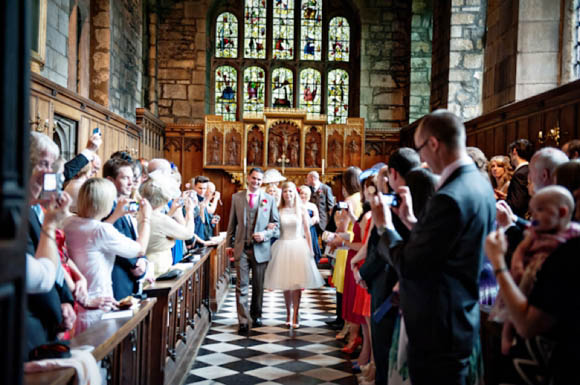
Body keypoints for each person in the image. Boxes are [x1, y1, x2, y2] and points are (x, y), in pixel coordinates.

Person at [373, 109, 496, 384]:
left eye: (420, 150)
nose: (422, 161)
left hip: (437, 325)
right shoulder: (478, 184)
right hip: (458, 316)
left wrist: (385, 227)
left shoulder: (450, 196)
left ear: (433, 144)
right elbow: (447, 248)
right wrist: (413, 223)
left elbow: (411, 264)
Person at [489, 186, 580, 384]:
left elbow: (529, 324)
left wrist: (498, 261)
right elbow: (522, 247)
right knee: (512, 310)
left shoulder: (571, 240)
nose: (535, 215)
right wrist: (517, 262)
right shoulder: (535, 231)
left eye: (540, 210)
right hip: (526, 275)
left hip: (542, 337)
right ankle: (506, 337)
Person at [63, 178, 151, 333]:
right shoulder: (101, 230)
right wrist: (146, 218)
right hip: (98, 304)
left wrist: (115, 216)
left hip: (76, 302)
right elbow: (139, 250)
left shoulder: (69, 222)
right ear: (107, 203)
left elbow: (95, 235)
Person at [226, 168, 280, 333]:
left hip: (260, 249)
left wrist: (264, 234)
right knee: (242, 284)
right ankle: (243, 320)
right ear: (248, 178)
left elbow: (276, 228)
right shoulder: (237, 198)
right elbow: (232, 223)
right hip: (241, 247)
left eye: (259, 180)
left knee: (258, 285)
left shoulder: (269, 200)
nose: (256, 182)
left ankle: (256, 315)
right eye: (254, 178)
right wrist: (229, 244)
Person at [264, 182, 324, 328]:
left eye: (290, 191)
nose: (288, 194)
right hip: (283, 244)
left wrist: (310, 249)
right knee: (286, 284)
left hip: (298, 245)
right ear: (282, 193)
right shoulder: (278, 209)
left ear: (294, 193)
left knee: (296, 284)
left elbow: (307, 230)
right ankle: (288, 313)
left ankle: (296, 313)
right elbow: (273, 227)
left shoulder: (301, 209)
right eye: (285, 191)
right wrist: (270, 226)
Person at [103, 158, 149, 300]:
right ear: (110, 180)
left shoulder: (125, 206)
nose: (131, 183)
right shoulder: (107, 210)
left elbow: (133, 237)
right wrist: (136, 263)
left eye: (132, 178)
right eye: (124, 178)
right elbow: (121, 244)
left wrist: (143, 261)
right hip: (117, 279)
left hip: (129, 279)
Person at [140, 172, 195, 276]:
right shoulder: (160, 218)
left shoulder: (141, 214)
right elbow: (188, 234)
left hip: (147, 264)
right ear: (166, 198)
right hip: (158, 267)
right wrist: (189, 211)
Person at [505, 139, 534, 217]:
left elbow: (517, 205)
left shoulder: (519, 174)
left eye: (509, 154)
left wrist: (499, 201)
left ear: (514, 151)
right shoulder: (530, 169)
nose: (510, 157)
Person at [306, 171, 335, 236]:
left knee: (325, 242)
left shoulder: (326, 189)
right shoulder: (308, 189)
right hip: (312, 221)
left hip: (323, 221)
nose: (306, 180)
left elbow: (330, 206)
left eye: (308, 178)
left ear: (312, 178)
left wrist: (331, 222)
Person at [299, 185, 322, 264]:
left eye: (305, 194)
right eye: (301, 193)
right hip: (299, 231)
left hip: (310, 231)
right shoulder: (296, 205)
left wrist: (313, 220)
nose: (303, 195)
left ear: (308, 196)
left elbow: (317, 218)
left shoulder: (312, 206)